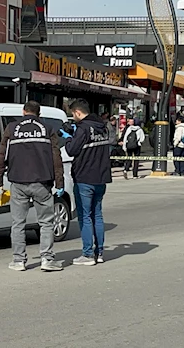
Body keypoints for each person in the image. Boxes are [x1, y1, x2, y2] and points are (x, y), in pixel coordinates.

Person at [0, 101, 64, 272]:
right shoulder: (48, 129)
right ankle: (47, 259)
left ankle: (18, 260)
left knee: (18, 223)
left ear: (23, 111)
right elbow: (56, 157)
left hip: (18, 181)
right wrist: (59, 182)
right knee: (46, 223)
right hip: (42, 182)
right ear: (39, 114)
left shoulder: (11, 128)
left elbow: (2, 155)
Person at [61, 99, 111, 266]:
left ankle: (88, 254)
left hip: (84, 177)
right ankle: (100, 252)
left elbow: (71, 150)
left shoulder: (83, 128)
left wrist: (68, 137)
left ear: (77, 112)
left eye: (72, 115)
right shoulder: (102, 127)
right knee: (97, 215)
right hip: (101, 177)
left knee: (85, 216)